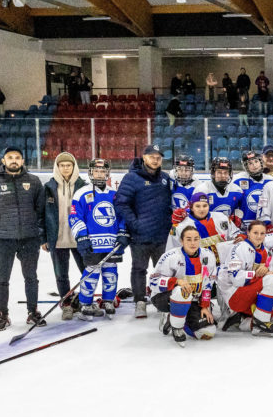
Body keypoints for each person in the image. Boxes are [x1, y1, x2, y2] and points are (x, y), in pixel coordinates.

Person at [0, 147, 47, 330]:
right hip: (3, 239)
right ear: (3, 160)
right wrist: (2, 225)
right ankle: (3, 314)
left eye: (17, 157)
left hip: (29, 238)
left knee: (31, 277)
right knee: (2, 278)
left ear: (23, 161)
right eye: (10, 157)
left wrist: (33, 228)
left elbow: (40, 208)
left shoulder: (33, 182)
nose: (14, 160)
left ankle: (32, 312)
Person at [114, 145, 174, 318]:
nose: (155, 160)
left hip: (162, 235)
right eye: (152, 156)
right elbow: (121, 203)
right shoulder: (132, 178)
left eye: (159, 157)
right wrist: (135, 223)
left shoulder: (165, 178)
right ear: (144, 157)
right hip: (140, 236)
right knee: (139, 269)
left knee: (163, 271)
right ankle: (140, 302)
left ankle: (162, 301)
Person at [69, 158, 128, 320]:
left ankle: (108, 300)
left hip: (111, 244)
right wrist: (82, 237)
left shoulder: (114, 195)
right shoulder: (81, 193)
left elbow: (122, 217)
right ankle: (85, 304)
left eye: (102, 171)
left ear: (107, 173)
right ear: (90, 173)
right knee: (91, 274)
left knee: (111, 273)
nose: (99, 174)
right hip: (93, 244)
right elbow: (75, 217)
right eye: (96, 171)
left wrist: (122, 233)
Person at [149, 226, 218, 347]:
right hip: (164, 298)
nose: (193, 243)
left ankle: (175, 316)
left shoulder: (208, 256)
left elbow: (208, 283)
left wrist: (205, 306)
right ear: (182, 241)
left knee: (207, 333)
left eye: (196, 239)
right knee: (181, 291)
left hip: (193, 299)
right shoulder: (170, 256)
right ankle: (177, 327)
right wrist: (176, 281)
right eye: (189, 239)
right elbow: (153, 281)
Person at [216, 221, 273, 337]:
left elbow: (269, 279)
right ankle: (260, 321)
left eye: (262, 233)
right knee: (272, 279)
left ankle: (244, 323)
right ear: (248, 233)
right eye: (255, 233)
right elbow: (235, 278)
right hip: (234, 295)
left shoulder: (267, 253)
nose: (259, 236)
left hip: (253, 295)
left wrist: (268, 274)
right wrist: (255, 274)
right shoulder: (239, 248)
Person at [43, 152, 87, 320]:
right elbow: (42, 214)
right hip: (58, 239)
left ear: (74, 167)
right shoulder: (49, 187)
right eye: (62, 165)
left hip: (79, 238)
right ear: (57, 167)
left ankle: (84, 300)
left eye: (69, 165)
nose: (66, 168)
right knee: (61, 275)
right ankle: (67, 303)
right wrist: (44, 238)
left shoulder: (83, 185)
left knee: (86, 271)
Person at [232, 151, 271, 226]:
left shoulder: (271, 181)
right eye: (250, 163)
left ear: (261, 162)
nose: (254, 165)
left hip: (265, 225)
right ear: (246, 166)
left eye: (256, 161)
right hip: (244, 226)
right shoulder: (237, 180)